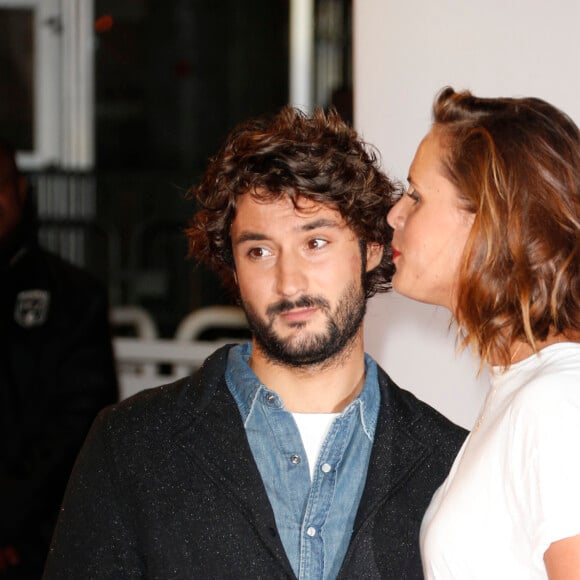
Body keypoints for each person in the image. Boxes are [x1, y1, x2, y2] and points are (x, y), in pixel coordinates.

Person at [44, 106, 466, 579]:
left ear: (371, 249)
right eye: (259, 251)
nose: (288, 282)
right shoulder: (132, 447)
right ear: (234, 267)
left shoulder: (452, 460)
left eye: (316, 243)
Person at [387, 87, 580, 579]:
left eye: (416, 195)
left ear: (485, 220)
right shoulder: (528, 392)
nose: (395, 215)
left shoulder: (557, 402)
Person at [0, 141, 119, 579]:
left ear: (20, 190)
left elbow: (78, 429)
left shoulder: (72, 296)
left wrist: (11, 531)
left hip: (40, 543)